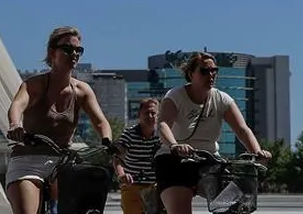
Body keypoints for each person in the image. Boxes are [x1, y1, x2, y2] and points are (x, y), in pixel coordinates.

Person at [6, 26, 115, 214]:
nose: (74, 54)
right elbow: (17, 105)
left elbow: (100, 122)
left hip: (62, 163)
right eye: (67, 49)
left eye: (78, 50)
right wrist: (15, 125)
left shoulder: (82, 90)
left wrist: (107, 140)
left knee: (86, 201)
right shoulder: (36, 84)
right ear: (52, 52)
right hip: (28, 159)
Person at [155, 51, 272, 214]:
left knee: (236, 205)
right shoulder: (175, 96)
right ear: (191, 74)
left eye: (214, 71)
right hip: (174, 160)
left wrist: (257, 152)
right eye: (204, 71)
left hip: (208, 161)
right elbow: (162, 124)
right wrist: (175, 145)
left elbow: (242, 129)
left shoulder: (222, 99)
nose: (211, 75)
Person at [114, 98, 162, 213]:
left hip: (154, 186)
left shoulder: (162, 136)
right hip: (132, 186)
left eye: (153, 113)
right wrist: (122, 175)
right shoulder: (128, 134)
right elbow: (117, 158)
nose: (150, 116)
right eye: (146, 113)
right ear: (139, 115)